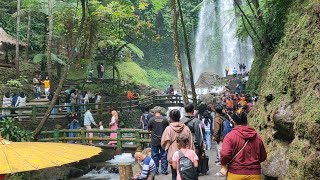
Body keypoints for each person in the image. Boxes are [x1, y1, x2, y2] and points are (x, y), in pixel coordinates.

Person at [220, 112, 267, 179]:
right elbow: (263, 157)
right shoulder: (257, 137)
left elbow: (225, 154)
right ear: (246, 121)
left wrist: (223, 163)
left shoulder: (230, 136)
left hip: (235, 173)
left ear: (233, 122)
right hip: (254, 174)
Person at [161, 109, 194, 180]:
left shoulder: (168, 129)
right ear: (179, 117)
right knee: (187, 175)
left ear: (170, 117)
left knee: (174, 175)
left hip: (173, 155)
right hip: (186, 155)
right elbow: (191, 142)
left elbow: (163, 143)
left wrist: (168, 147)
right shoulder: (186, 128)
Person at [147, 106, 169, 175]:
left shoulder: (151, 119)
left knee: (154, 156)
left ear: (154, 112)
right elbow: (167, 128)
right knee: (164, 155)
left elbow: (149, 129)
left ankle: (155, 171)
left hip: (154, 140)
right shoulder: (165, 119)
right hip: (163, 140)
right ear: (160, 111)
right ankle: (164, 171)